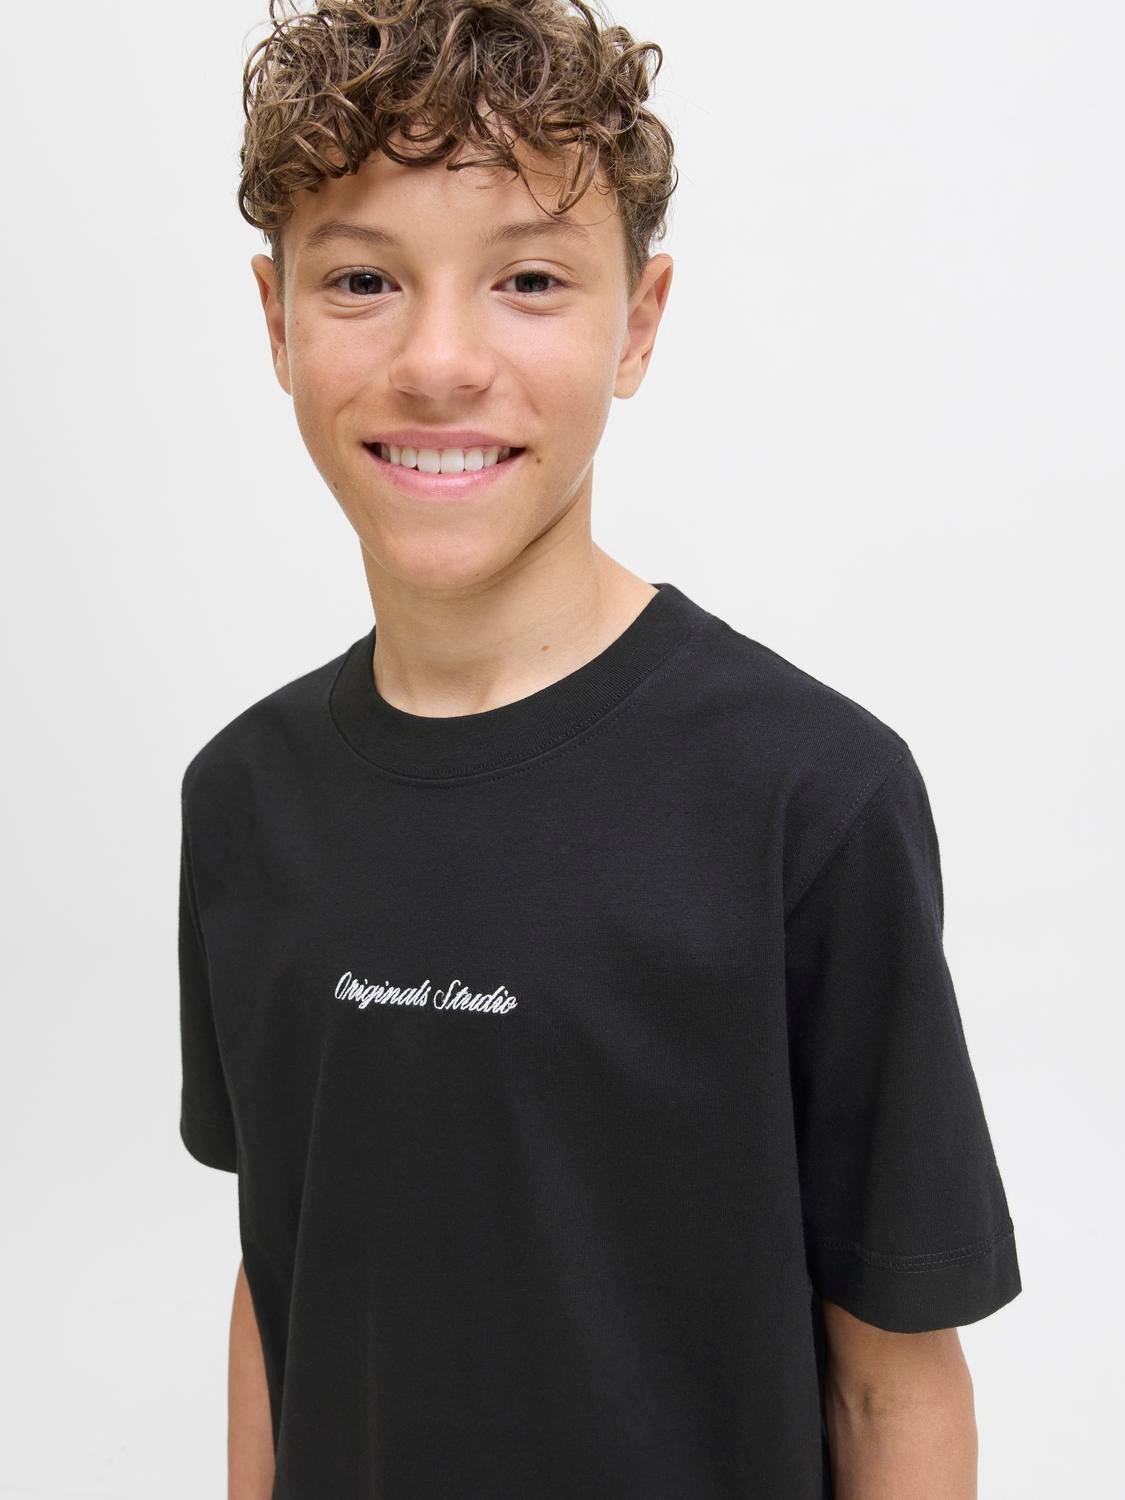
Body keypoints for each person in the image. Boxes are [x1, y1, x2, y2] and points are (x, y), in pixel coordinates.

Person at [177, 2, 1022, 1495]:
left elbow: (891, 1384)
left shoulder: (807, 799)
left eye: (528, 280)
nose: (441, 362)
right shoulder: (244, 799)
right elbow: (282, 1281)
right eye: (363, 278)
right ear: (276, 320)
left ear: (637, 323)